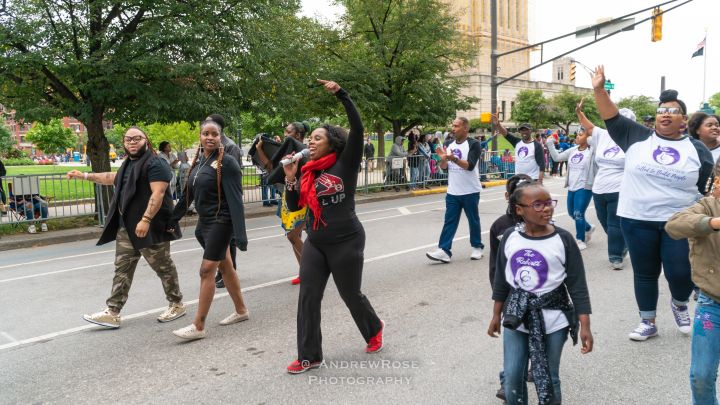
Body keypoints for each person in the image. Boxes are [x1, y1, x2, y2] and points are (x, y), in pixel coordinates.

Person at [592, 66, 714, 341]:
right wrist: (599, 90)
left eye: (672, 111)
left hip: (679, 222)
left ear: (684, 120)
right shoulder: (636, 137)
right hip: (637, 219)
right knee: (645, 273)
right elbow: (609, 114)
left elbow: (704, 188)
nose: (665, 114)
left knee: (681, 273)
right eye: (661, 111)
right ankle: (648, 321)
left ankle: (680, 303)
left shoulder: (698, 150)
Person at [283, 80, 383, 374]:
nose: (310, 142)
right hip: (316, 242)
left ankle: (374, 327)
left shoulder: (346, 163)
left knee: (350, 294)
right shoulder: (306, 170)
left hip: (346, 241)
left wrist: (342, 94)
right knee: (308, 297)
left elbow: (358, 128)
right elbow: (293, 207)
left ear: (332, 143)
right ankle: (309, 355)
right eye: (309, 138)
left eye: (317, 138)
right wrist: (290, 177)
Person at [67, 127, 186, 329]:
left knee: (163, 267)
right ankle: (113, 311)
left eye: (137, 138)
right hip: (127, 228)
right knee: (122, 270)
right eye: (128, 139)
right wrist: (85, 176)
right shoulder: (128, 164)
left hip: (151, 227)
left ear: (146, 141)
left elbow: (158, 194)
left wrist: (146, 219)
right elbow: (111, 178)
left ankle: (176, 303)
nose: (132, 142)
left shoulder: (156, 163)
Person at [487, 181, 593, 405]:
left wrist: (585, 325)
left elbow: (578, 284)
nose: (547, 208)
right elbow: (501, 281)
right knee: (513, 376)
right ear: (519, 209)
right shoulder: (510, 237)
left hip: (554, 319)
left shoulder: (563, 239)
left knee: (548, 376)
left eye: (548, 203)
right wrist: (496, 315)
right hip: (516, 317)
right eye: (537, 204)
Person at [168, 119, 250, 340]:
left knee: (206, 271)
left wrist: (240, 235)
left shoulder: (228, 162)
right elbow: (187, 197)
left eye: (215, 134)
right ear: (200, 136)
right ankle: (241, 310)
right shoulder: (200, 163)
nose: (210, 137)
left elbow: (235, 200)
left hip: (221, 222)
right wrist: (171, 220)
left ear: (221, 136)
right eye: (206, 133)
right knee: (226, 267)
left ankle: (198, 326)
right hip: (204, 223)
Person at [666, 161, 720, 405]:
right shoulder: (706, 207)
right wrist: (711, 223)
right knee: (701, 375)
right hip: (712, 304)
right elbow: (674, 225)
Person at [488, 173, 533, 401]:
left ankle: (536, 363)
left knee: (537, 336)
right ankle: (508, 381)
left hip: (540, 295)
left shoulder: (541, 223)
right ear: (508, 196)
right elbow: (495, 266)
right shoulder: (500, 226)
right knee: (514, 339)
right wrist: (500, 299)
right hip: (512, 294)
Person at [576, 99, 632, 269]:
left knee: (614, 223)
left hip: (619, 188)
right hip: (599, 188)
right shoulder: (604, 134)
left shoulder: (633, 138)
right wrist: (579, 113)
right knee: (605, 221)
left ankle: (615, 257)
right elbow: (589, 126)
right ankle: (623, 244)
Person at [255, 121, 309, 286]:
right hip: (288, 196)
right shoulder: (286, 150)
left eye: (288, 131)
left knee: (293, 235)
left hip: (303, 198)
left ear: (298, 135)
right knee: (294, 237)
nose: (285, 135)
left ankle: (312, 269)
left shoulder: (305, 152)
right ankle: (304, 272)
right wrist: (258, 149)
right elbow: (271, 167)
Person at [425, 117, 484, 263]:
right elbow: (444, 168)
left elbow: (470, 166)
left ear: (465, 128)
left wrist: (454, 158)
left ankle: (477, 247)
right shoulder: (448, 144)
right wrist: (443, 158)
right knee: (449, 221)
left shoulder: (474, 144)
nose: (453, 128)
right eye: (453, 126)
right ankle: (444, 250)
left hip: (470, 190)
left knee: (473, 220)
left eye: (456, 126)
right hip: (453, 191)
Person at [205, 114, 244, 289]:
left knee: (231, 238)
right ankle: (225, 270)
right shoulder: (207, 145)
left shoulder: (230, 147)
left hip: (226, 198)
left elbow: (232, 173)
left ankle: (229, 270)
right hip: (212, 199)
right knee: (219, 240)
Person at [546, 127, 596, 250]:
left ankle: (580, 239)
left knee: (578, 214)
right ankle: (588, 228)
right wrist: (550, 144)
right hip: (572, 186)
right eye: (577, 134)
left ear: (588, 137)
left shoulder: (593, 151)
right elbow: (557, 158)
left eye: (581, 134)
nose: (577, 136)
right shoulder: (573, 150)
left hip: (584, 187)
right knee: (571, 213)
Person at [494, 118, 545, 182]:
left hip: (532, 179)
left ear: (530, 131)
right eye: (522, 130)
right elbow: (506, 134)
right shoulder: (517, 142)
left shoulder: (536, 145)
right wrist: (498, 124)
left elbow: (542, 165)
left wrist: (540, 181)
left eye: (526, 130)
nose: (524, 132)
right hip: (518, 179)